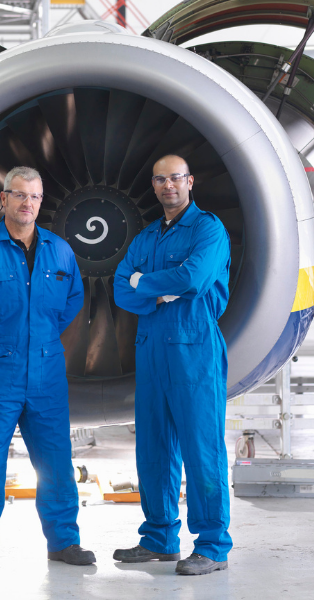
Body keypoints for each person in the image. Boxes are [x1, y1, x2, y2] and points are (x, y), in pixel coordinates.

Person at [0, 166, 95, 571]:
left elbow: (73, 300)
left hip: (47, 373)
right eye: (20, 195)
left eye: (35, 197)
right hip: (0, 374)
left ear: (41, 202)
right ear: (4, 198)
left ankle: (64, 542)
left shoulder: (60, 251)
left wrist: (42, 336)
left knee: (56, 460)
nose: (28, 203)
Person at [112, 154, 233, 576]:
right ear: (154, 185)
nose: (169, 185)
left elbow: (194, 279)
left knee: (202, 449)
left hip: (194, 349)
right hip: (151, 350)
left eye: (176, 178)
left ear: (190, 181)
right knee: (153, 449)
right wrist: (159, 290)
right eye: (161, 179)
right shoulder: (146, 237)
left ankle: (212, 545)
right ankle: (160, 538)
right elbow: (120, 290)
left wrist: (143, 283)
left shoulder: (208, 229)